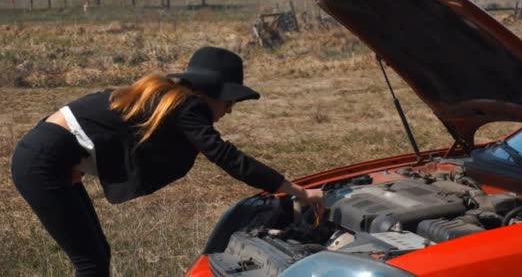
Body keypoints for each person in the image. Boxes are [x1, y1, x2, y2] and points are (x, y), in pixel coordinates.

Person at [11, 46, 324, 276]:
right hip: (43, 161)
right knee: (90, 262)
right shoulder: (188, 107)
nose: (229, 111)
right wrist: (296, 190)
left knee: (97, 256)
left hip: (46, 155)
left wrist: (71, 158)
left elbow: (77, 115)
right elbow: (227, 157)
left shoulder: (169, 99)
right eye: (229, 102)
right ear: (212, 94)